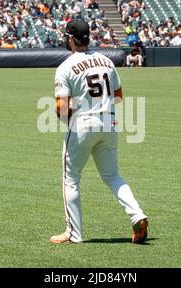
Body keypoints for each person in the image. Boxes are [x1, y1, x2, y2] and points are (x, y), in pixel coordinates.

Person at [50, 19, 148, 244]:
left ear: (72, 39)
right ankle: (138, 215)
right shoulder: (106, 61)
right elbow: (119, 96)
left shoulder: (65, 66)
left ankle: (74, 233)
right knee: (113, 175)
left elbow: (61, 107)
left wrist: (68, 115)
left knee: (71, 178)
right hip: (110, 124)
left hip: (83, 125)